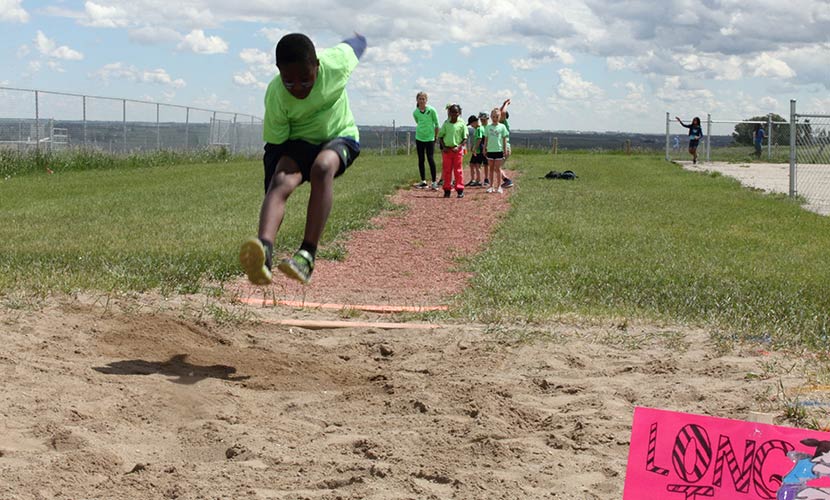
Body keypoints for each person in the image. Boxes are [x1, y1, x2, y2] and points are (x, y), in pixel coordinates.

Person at [239, 32, 367, 285]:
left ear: (317, 66)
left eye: (306, 81)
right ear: (279, 73)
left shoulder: (336, 64)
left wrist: (360, 34)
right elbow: (275, 148)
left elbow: (356, 45)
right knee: (282, 178)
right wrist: (274, 189)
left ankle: (307, 255)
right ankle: (263, 252)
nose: (297, 88)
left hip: (340, 136)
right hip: (300, 141)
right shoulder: (276, 95)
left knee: (322, 167)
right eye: (289, 82)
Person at [437, 103, 468, 198]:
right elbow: (440, 136)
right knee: (447, 170)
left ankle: (460, 189)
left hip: (457, 150)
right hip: (447, 151)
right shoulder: (446, 123)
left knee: (458, 170)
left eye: (456, 112)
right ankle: (447, 189)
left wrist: (458, 147)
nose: (454, 114)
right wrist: (444, 147)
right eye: (452, 112)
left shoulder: (462, 123)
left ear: (459, 113)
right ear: (449, 113)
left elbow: (465, 137)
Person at [413, 92, 440, 190]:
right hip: (419, 137)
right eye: (420, 99)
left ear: (426, 100)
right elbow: (418, 122)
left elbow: (437, 124)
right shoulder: (415, 112)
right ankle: (423, 181)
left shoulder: (432, 110)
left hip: (430, 138)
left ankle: (434, 182)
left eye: (423, 99)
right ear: (417, 100)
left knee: (430, 158)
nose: (421, 101)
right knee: (421, 159)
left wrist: (436, 137)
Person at [483, 107, 509, 194]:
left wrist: (505, 150)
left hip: (499, 150)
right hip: (490, 150)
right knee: (491, 168)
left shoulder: (502, 127)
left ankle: (499, 187)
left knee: (498, 169)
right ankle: (491, 186)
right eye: (493, 116)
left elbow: (504, 139)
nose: (495, 118)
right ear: (491, 117)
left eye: (497, 117)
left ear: (500, 117)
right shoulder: (488, 127)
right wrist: (484, 148)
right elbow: (486, 139)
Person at [465, 114, 485, 187]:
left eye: (472, 124)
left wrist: (475, 148)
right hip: (476, 150)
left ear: (476, 122)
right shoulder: (476, 129)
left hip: (479, 150)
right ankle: (473, 179)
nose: (471, 126)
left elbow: (479, 139)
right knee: (471, 164)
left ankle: (478, 180)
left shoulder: (479, 129)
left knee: (477, 165)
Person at [499, 99, 514, 188]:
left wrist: (505, 104)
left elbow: (503, 112)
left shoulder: (503, 122)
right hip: (503, 148)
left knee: (496, 167)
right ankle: (506, 181)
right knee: (496, 167)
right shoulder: (501, 123)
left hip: (505, 148)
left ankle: (507, 180)